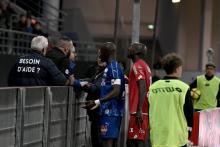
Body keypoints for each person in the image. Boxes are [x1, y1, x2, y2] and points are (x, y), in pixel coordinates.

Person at [83, 42, 125, 147]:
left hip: (111, 112)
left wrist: (97, 101)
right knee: (104, 142)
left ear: (106, 53)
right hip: (106, 111)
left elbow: (116, 91)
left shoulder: (114, 68)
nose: (99, 55)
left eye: (101, 52)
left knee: (107, 143)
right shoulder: (109, 67)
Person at [148, 53, 194, 147]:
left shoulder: (153, 88)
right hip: (178, 138)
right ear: (177, 69)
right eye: (181, 68)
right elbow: (189, 113)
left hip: (158, 136)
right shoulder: (184, 88)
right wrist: (189, 130)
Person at [126, 43, 151, 147]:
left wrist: (139, 109)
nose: (128, 48)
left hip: (139, 110)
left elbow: (143, 86)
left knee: (136, 142)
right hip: (141, 109)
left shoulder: (138, 65)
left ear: (136, 52)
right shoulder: (143, 64)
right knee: (134, 141)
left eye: (131, 47)